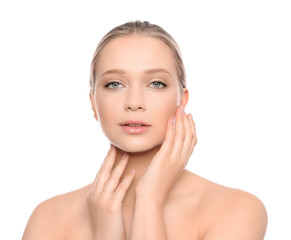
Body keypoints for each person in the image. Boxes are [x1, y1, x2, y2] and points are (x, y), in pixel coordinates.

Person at [22, 20, 268, 240]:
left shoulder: (237, 209)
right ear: (93, 103)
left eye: (156, 83)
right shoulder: (48, 218)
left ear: (182, 101)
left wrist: (150, 198)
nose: (134, 101)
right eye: (114, 84)